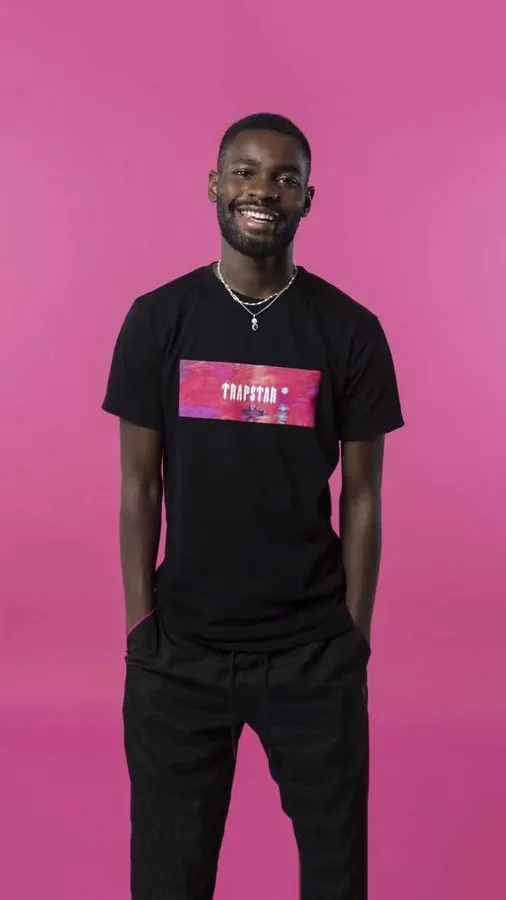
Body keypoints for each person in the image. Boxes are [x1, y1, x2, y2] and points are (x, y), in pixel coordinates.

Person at [102, 112, 404, 900]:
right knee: (168, 878)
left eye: (284, 177)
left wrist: (353, 635)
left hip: (312, 653)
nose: (262, 190)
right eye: (244, 171)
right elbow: (140, 482)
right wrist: (141, 627)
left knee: (335, 874)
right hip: (181, 653)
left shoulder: (351, 331)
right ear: (214, 185)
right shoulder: (158, 320)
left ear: (308, 198)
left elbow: (364, 493)